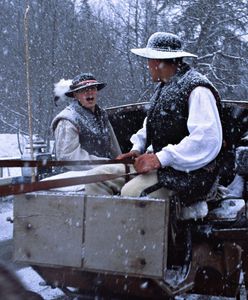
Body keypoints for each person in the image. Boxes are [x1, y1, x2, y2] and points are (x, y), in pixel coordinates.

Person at [85, 32, 223, 205]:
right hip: (163, 168)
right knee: (95, 179)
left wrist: (161, 158)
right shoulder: (164, 88)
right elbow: (152, 125)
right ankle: (103, 230)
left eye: (148, 61)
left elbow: (206, 139)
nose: (147, 65)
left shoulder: (197, 89)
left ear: (157, 62)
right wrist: (137, 149)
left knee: (132, 193)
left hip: (190, 175)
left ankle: (135, 231)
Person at [51, 72, 121, 171]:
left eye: (93, 88)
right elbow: (67, 156)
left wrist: (121, 165)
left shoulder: (102, 115)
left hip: (103, 174)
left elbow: (114, 148)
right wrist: (107, 164)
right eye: (83, 90)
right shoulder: (67, 119)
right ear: (75, 95)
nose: (89, 93)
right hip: (73, 180)